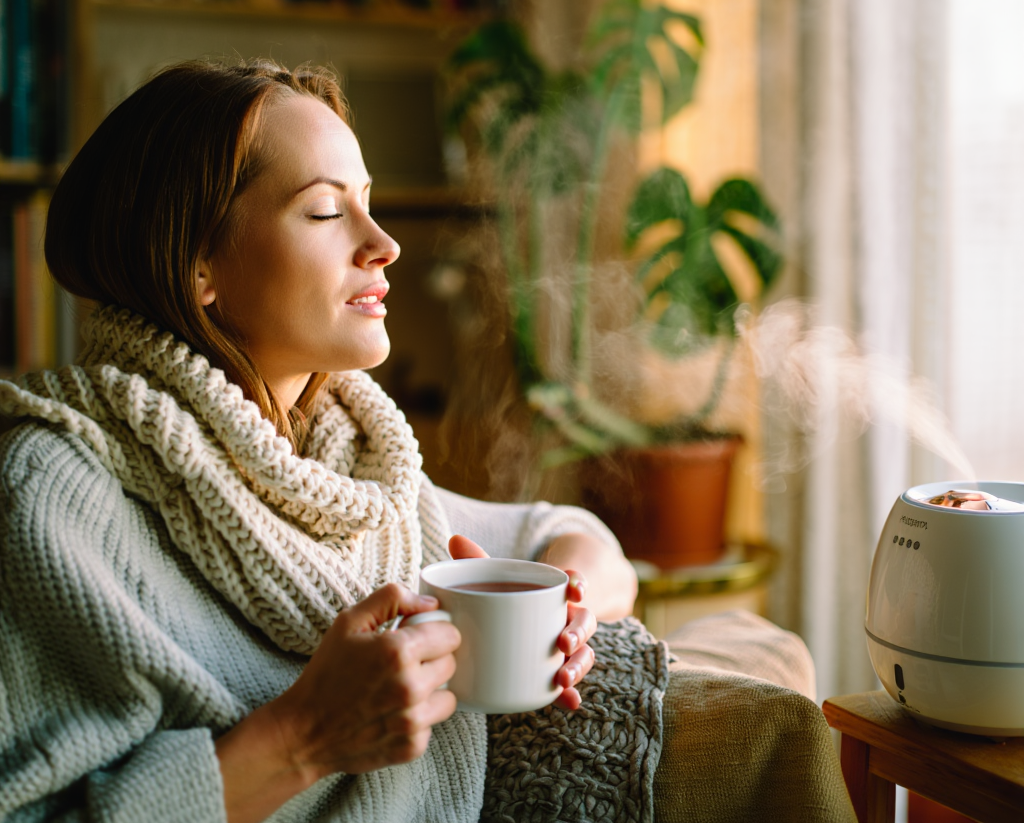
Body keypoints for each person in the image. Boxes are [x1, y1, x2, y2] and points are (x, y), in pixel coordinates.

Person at [0, 60, 640, 823]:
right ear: (198, 263)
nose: (384, 244)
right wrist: (305, 736)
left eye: (368, 203)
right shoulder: (51, 487)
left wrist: (565, 609)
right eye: (326, 211)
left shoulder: (352, 473)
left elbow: (575, 538)